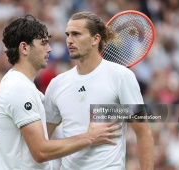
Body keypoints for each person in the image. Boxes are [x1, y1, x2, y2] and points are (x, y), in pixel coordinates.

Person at [0, 15, 122, 170]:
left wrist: (4, 130)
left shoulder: (24, 87)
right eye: (43, 43)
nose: (50, 49)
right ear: (24, 48)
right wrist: (89, 137)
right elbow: (41, 151)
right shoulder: (19, 89)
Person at [43, 12, 154, 170]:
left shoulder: (121, 76)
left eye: (76, 34)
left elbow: (143, 133)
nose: (69, 40)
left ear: (96, 39)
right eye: (68, 34)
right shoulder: (57, 84)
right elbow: (41, 140)